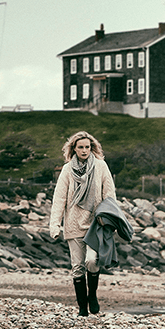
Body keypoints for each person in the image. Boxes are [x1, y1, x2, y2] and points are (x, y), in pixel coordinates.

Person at [49, 131, 116, 317]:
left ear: (92, 148)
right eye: (81, 147)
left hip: (96, 224)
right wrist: (55, 224)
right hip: (73, 224)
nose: (84, 150)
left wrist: (109, 219)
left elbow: (109, 194)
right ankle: (81, 307)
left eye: (87, 147)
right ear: (74, 149)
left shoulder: (101, 166)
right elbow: (59, 198)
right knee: (77, 266)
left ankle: (92, 295)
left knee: (92, 262)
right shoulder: (67, 170)